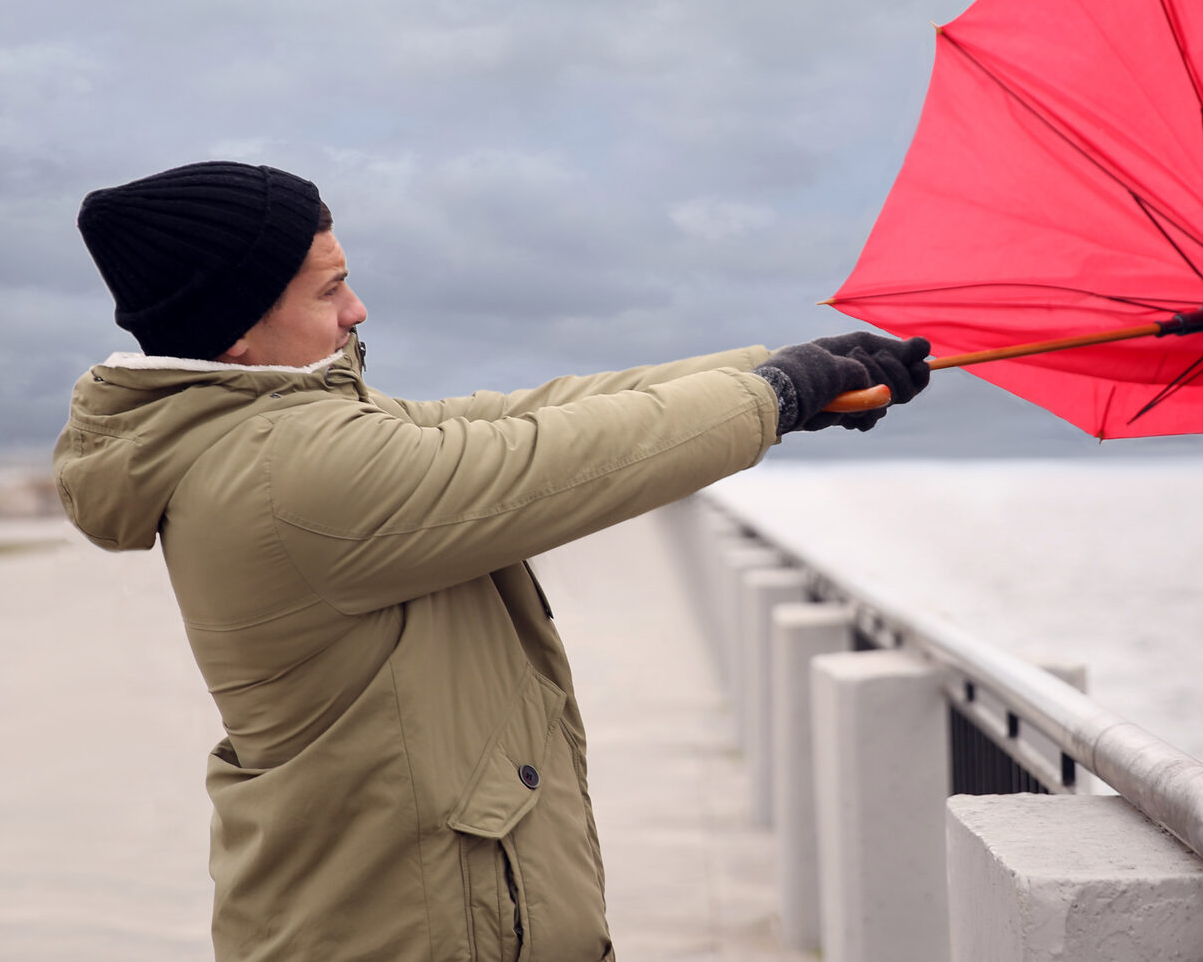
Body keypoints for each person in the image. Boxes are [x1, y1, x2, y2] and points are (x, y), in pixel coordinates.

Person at [52, 161, 930, 961]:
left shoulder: (276, 436)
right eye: (330, 289)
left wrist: (784, 372)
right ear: (237, 332)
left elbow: (521, 414)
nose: (356, 311)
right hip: (406, 929)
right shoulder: (292, 470)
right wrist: (775, 397)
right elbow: (549, 459)